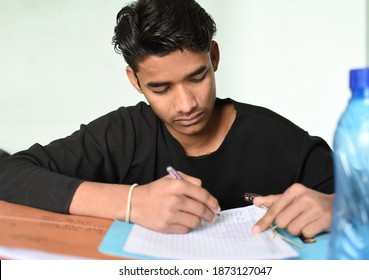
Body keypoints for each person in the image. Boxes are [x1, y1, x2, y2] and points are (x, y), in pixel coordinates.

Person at [0, 0, 333, 238]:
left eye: (196, 78)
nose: (186, 104)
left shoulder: (278, 140)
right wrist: (133, 202)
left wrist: (338, 208)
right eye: (161, 88)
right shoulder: (123, 135)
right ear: (135, 81)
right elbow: (8, 174)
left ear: (213, 57)